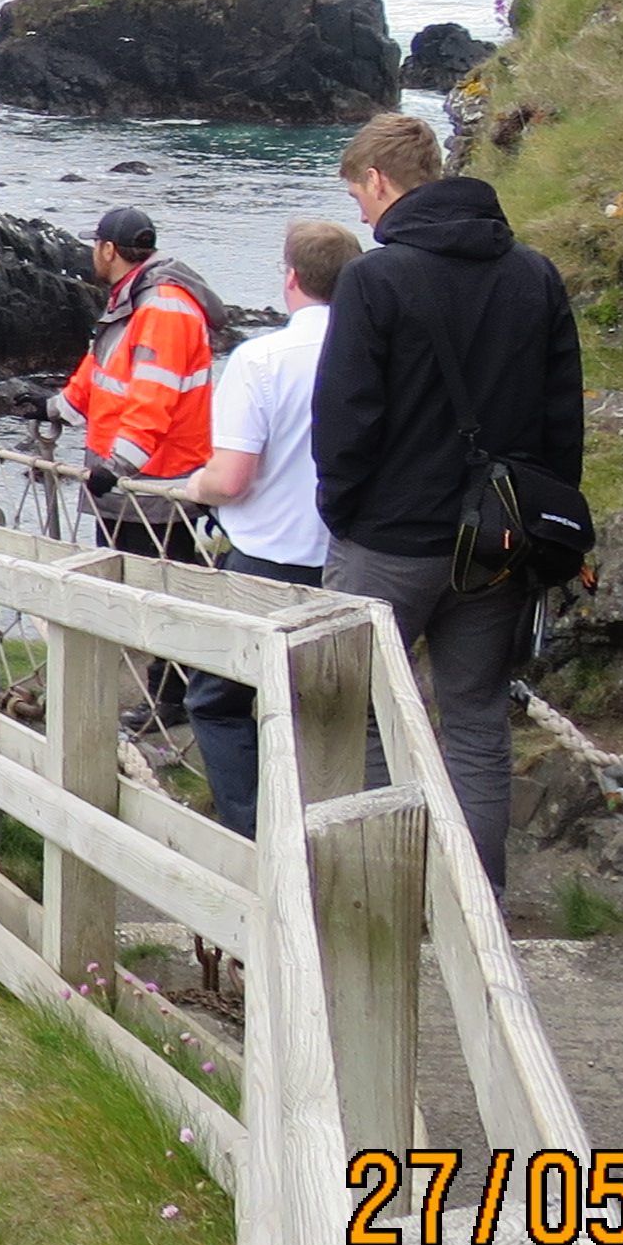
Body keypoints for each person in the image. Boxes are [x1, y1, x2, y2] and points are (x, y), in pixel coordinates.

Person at [313, 109, 583, 901]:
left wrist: (346, 514)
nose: (361, 214)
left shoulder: (375, 278)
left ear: (378, 181)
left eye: (359, 196)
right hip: (498, 541)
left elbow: (346, 421)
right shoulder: (533, 273)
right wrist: (533, 524)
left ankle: (379, 897)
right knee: (474, 721)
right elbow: (560, 416)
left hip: (391, 537)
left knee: (358, 713)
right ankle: (476, 904)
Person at [124, 219, 361, 834]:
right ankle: (336, 830)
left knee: (220, 700)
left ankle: (257, 836)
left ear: (288, 277)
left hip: (267, 556)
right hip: (353, 556)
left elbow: (231, 480)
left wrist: (191, 487)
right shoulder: (379, 352)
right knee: (335, 705)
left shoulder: (261, 360)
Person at [63, 204, 224, 560]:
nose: (93, 253)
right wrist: (54, 409)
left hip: (153, 496)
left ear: (109, 250)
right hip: (130, 493)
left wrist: (114, 469)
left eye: (97, 245)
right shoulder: (135, 300)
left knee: (149, 601)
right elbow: (101, 372)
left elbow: (152, 401)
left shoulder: (161, 308)